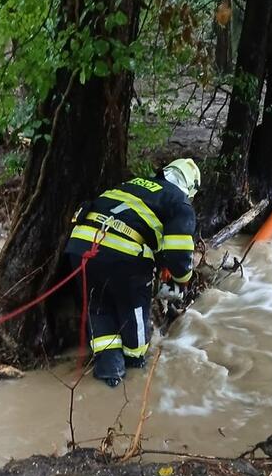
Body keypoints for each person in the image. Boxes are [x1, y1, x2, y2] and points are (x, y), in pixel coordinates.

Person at [64, 158, 200, 386]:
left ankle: (109, 370)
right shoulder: (180, 202)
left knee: (98, 308)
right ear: (190, 187)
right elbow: (178, 254)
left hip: (80, 248)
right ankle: (135, 365)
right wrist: (183, 280)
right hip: (123, 255)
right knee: (132, 310)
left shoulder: (131, 184)